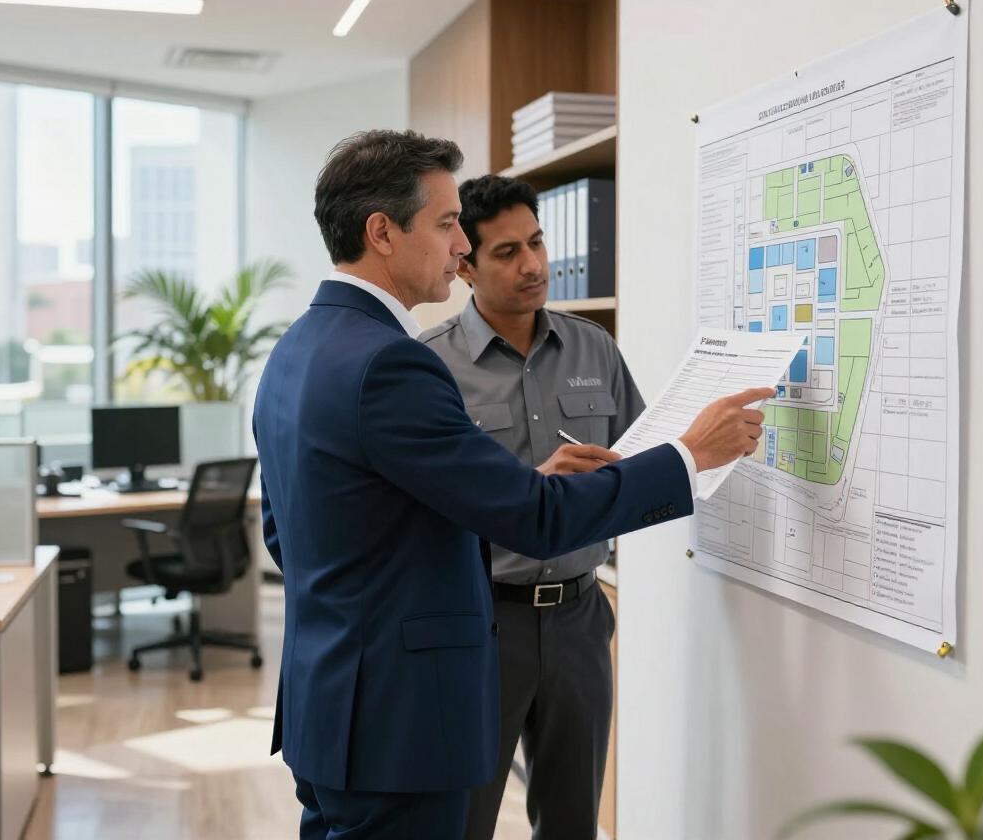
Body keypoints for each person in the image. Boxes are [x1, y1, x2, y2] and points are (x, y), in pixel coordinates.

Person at [252, 129, 772, 840]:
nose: (459, 247)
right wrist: (688, 454)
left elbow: (287, 534)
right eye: (444, 225)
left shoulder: (298, 349)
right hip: (395, 719)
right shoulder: (392, 364)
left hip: (336, 702)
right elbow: (536, 518)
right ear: (381, 232)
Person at [421, 174, 642, 840]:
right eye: (508, 252)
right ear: (464, 265)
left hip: (580, 619)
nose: (535, 265)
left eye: (538, 243)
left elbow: (637, 462)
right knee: (463, 818)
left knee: (575, 821)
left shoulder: (594, 348)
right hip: (483, 624)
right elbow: (422, 512)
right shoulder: (426, 366)